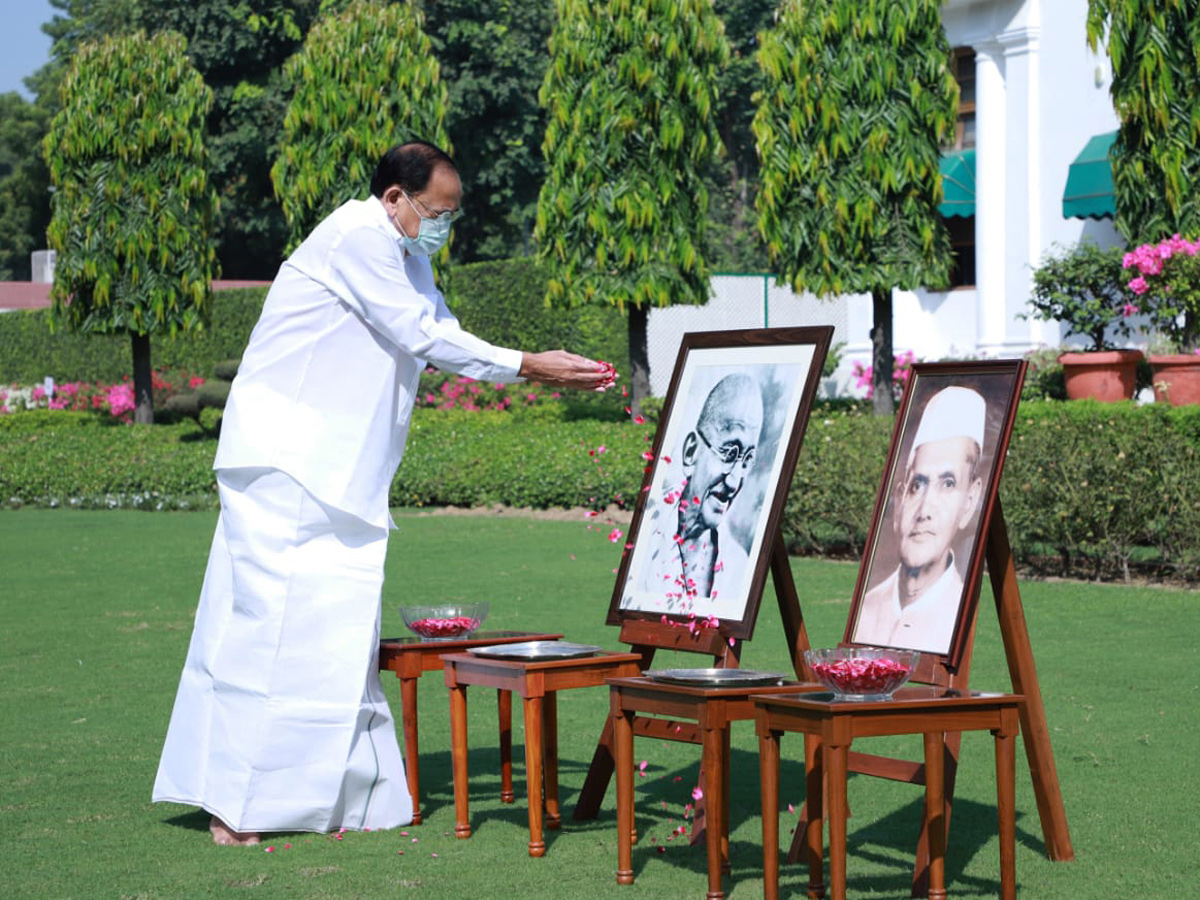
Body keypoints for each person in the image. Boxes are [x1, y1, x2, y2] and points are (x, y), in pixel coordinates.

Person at [152, 141, 613, 846]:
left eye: (451, 216)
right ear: (395, 196)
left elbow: (443, 329)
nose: (443, 228)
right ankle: (235, 807)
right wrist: (529, 366)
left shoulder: (408, 254)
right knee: (265, 635)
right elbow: (421, 334)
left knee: (338, 636)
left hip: (336, 471)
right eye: (436, 212)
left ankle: (341, 800)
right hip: (288, 462)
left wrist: (533, 365)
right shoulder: (354, 238)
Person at [852, 386, 986, 655]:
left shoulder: (956, 615)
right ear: (900, 500)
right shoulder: (865, 609)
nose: (924, 509)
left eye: (948, 484)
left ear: (969, 503)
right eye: (917, 485)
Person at [631, 372, 763, 610]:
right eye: (729, 452)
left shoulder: (737, 563)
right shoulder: (645, 543)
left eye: (746, 460)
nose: (734, 482)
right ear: (691, 452)